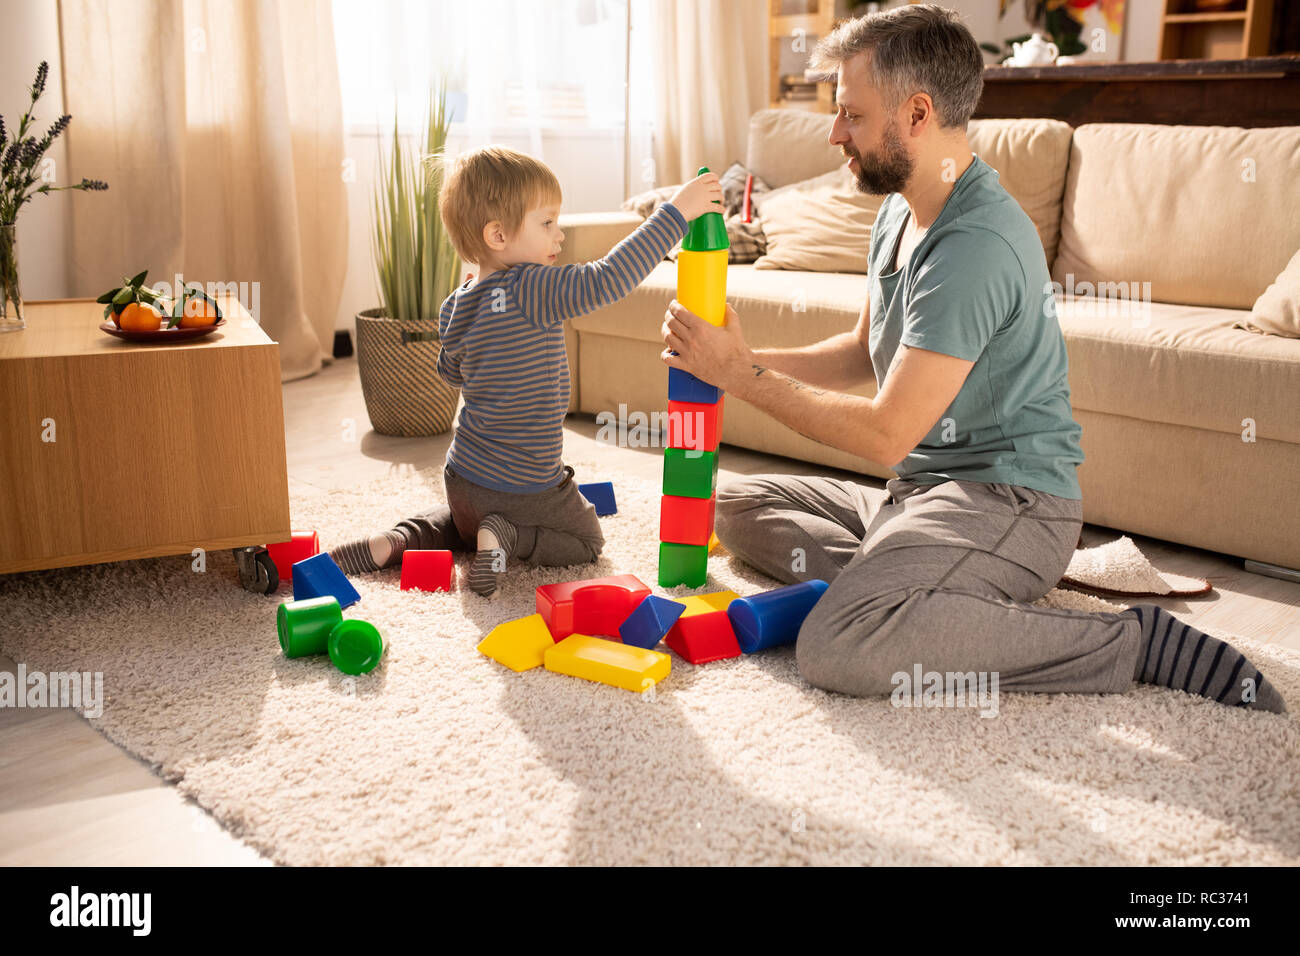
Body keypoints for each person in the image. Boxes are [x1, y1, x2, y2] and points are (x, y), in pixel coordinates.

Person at [660, 5, 1286, 713]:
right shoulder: (899, 209)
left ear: (917, 114)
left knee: (838, 647)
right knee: (738, 504)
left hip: (1011, 502)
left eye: (851, 115)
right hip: (922, 493)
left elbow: (884, 433)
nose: (834, 133)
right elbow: (861, 354)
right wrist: (735, 357)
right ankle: (920, 593)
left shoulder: (974, 244)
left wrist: (740, 377)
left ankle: (1128, 642)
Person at [332, 146, 722, 596]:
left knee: (463, 525)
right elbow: (609, 276)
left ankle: (399, 539)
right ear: (497, 235)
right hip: (525, 485)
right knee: (587, 539)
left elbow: (452, 373)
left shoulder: (455, 302)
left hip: (462, 477)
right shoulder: (532, 287)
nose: (559, 237)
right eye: (547, 223)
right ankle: (508, 536)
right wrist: (675, 213)